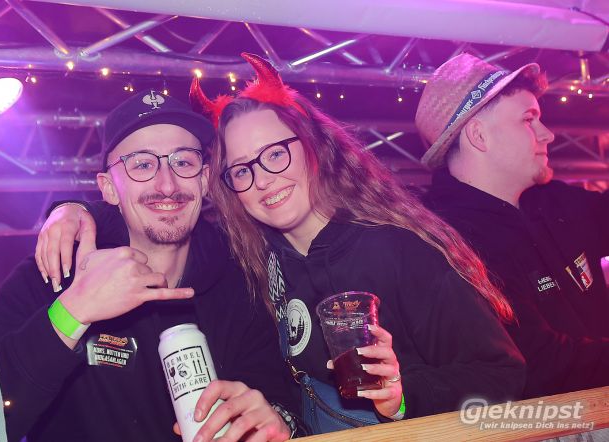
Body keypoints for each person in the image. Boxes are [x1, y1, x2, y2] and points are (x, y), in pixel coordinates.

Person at [38, 54, 526, 433]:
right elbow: (157, 207)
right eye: (242, 169)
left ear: (312, 147)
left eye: (275, 154)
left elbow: (503, 379)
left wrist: (403, 395)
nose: (264, 179)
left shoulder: (397, 251)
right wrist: (75, 211)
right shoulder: (256, 258)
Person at [0, 89, 298, 442]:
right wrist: (73, 312)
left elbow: (277, 395)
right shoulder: (48, 277)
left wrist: (275, 418)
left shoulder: (241, 283)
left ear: (203, 180)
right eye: (142, 165)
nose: (167, 185)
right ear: (109, 188)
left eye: (183, 162)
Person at [418, 53, 609, 398]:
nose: (548, 134)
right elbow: (537, 364)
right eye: (529, 119)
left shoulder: (551, 201)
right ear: (479, 136)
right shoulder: (448, 243)